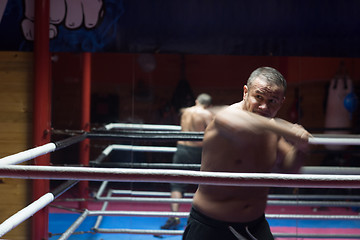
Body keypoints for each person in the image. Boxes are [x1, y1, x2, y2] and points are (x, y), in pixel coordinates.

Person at [183, 67, 311, 240]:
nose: (264, 106)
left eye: (273, 101)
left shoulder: (272, 129)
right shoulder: (228, 117)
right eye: (258, 97)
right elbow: (240, 124)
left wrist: (300, 148)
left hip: (255, 226)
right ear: (245, 92)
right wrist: (287, 127)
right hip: (211, 228)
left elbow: (289, 169)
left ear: (282, 102)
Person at [161, 93, 214, 230]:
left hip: (182, 149)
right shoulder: (206, 114)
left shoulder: (185, 111)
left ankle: (174, 216)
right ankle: (202, 219)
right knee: (204, 184)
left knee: (177, 184)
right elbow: (212, 134)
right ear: (209, 105)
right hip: (198, 151)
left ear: (197, 101)